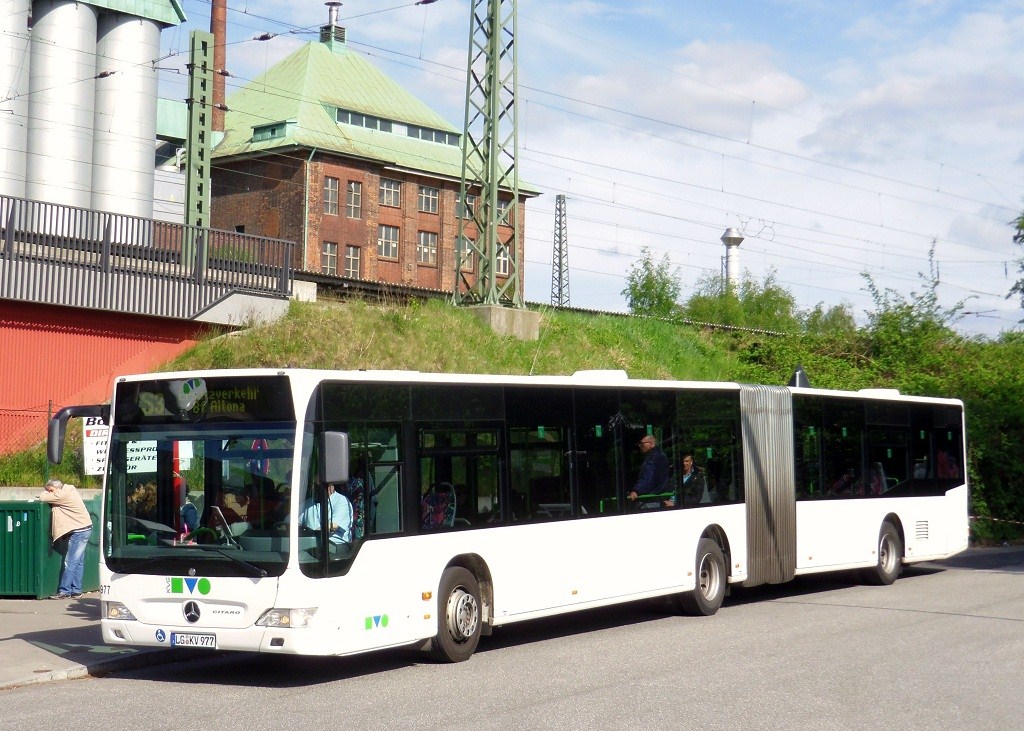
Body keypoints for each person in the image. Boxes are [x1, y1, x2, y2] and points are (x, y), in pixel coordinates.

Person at [38, 479, 93, 600]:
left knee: (70, 561)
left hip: (79, 531)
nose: (49, 493)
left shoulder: (62, 495)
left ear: (56, 488)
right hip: (84, 528)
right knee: (78, 562)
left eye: (50, 490)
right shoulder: (69, 491)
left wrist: (46, 493)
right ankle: (76, 590)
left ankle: (65, 591)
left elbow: (42, 497)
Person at [301, 483, 353, 550]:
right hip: (310, 544)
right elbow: (290, 521)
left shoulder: (342, 501)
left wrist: (309, 534)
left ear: (331, 487)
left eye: (318, 485)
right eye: (314, 485)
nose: (315, 488)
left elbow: (332, 526)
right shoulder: (308, 503)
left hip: (335, 546)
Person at [628, 435, 670, 507]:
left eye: (642, 443)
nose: (639, 446)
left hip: (648, 499)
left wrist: (636, 491)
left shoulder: (651, 458)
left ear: (651, 444)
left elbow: (646, 477)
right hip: (659, 498)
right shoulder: (663, 456)